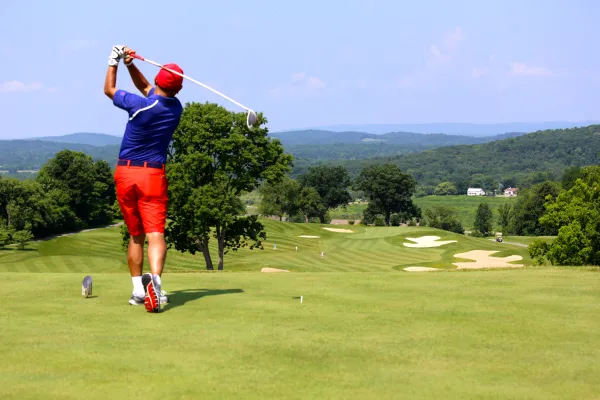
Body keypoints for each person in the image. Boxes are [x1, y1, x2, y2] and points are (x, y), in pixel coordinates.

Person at [104, 45, 184, 313]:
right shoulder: (175, 109)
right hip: (152, 174)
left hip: (125, 173)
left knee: (136, 235)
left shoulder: (140, 105)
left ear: (159, 80)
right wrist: (129, 64)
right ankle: (156, 285)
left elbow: (110, 91)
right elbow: (148, 87)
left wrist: (113, 62)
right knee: (155, 233)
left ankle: (139, 290)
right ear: (178, 89)